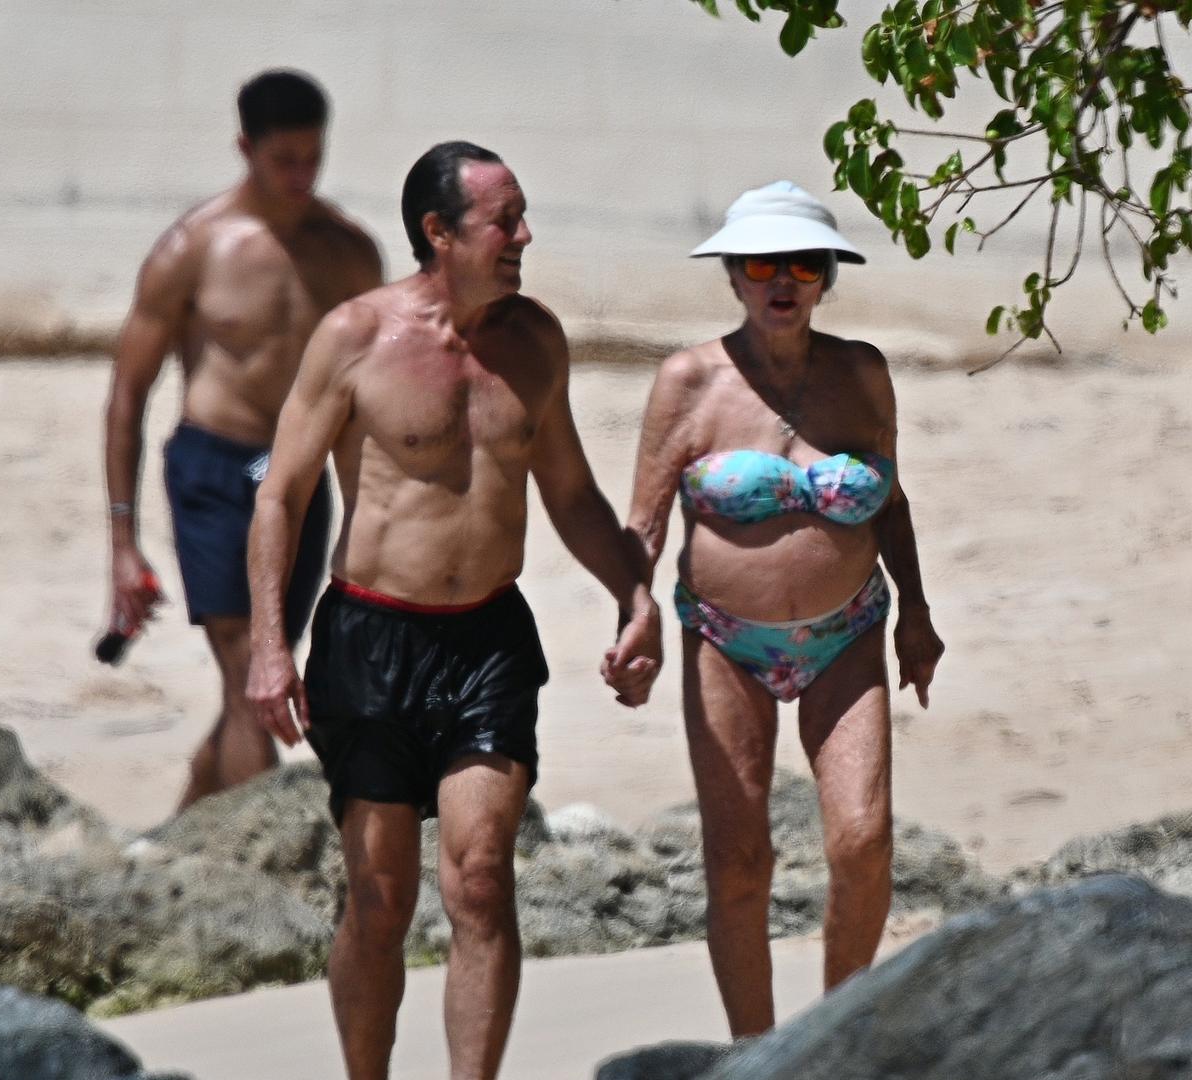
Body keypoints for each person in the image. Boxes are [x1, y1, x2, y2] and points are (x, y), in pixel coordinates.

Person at [244, 141, 662, 1080]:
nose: (524, 236)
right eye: (503, 221)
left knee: (479, 879)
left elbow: (571, 494)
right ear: (438, 232)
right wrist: (271, 646)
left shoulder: (535, 342)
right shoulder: (355, 337)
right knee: (381, 899)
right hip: (369, 640)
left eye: (522, 216)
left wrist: (633, 596)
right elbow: (282, 495)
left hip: (486, 641)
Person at [623, 181, 945, 1037]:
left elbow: (892, 504)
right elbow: (643, 524)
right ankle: (755, 1055)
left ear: (826, 277)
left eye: (804, 265)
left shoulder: (861, 373)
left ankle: (838, 1036)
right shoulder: (689, 381)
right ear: (733, 274)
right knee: (738, 861)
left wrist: (917, 613)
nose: (783, 281)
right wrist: (634, 616)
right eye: (762, 265)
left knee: (862, 839)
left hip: (850, 632)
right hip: (725, 643)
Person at [102, 69, 383, 811]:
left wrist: (372, 513)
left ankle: (183, 827)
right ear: (245, 149)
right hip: (214, 467)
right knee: (245, 666)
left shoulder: (349, 252)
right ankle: (256, 856)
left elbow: (371, 392)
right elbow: (128, 395)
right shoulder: (193, 249)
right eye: (283, 160)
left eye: (312, 158)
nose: (300, 176)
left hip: (297, 473)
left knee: (264, 666)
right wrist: (124, 542)